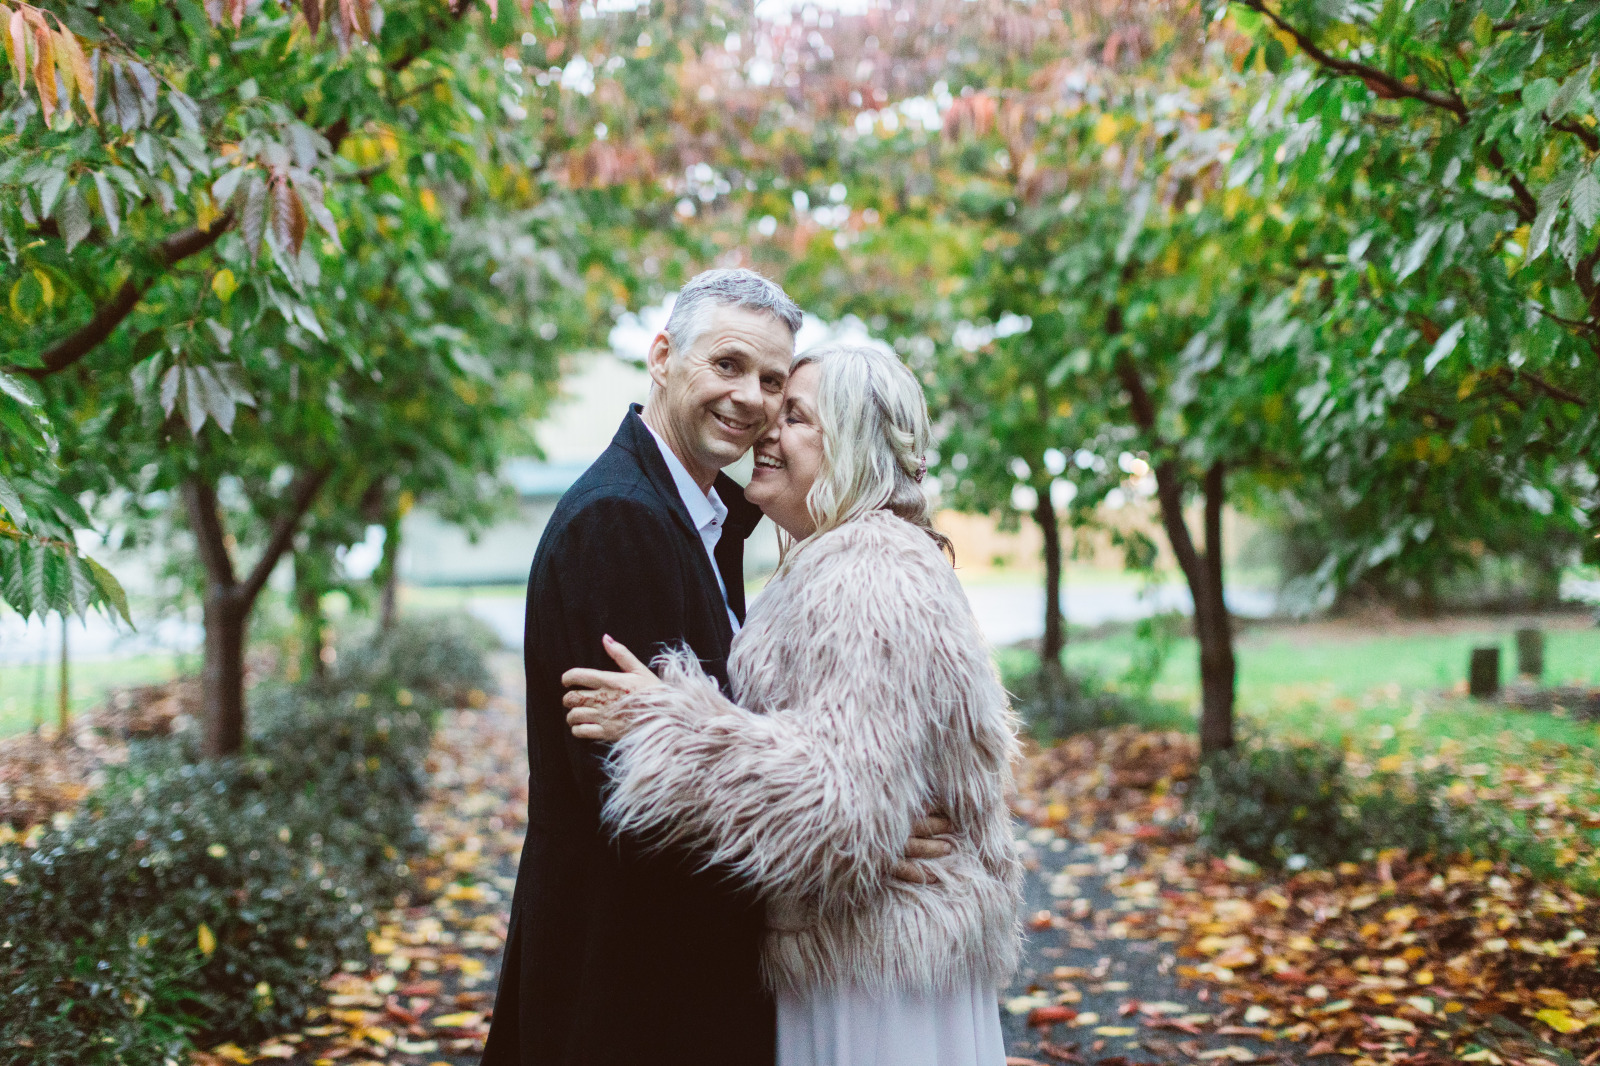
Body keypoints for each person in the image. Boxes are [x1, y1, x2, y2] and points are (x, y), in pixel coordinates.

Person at [482, 273, 954, 1066]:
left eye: (772, 381)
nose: (750, 398)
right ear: (662, 357)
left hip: (684, 982)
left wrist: (849, 816)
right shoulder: (619, 520)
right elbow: (638, 800)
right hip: (630, 990)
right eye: (727, 364)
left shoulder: (708, 518)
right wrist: (846, 841)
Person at [563, 343, 1023, 1066]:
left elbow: (843, 804)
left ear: (854, 449)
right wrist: (877, 821)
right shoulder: (834, 559)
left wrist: (668, 725)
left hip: (878, 973)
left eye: (798, 418)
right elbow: (863, 793)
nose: (766, 432)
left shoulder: (868, 570)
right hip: (856, 946)